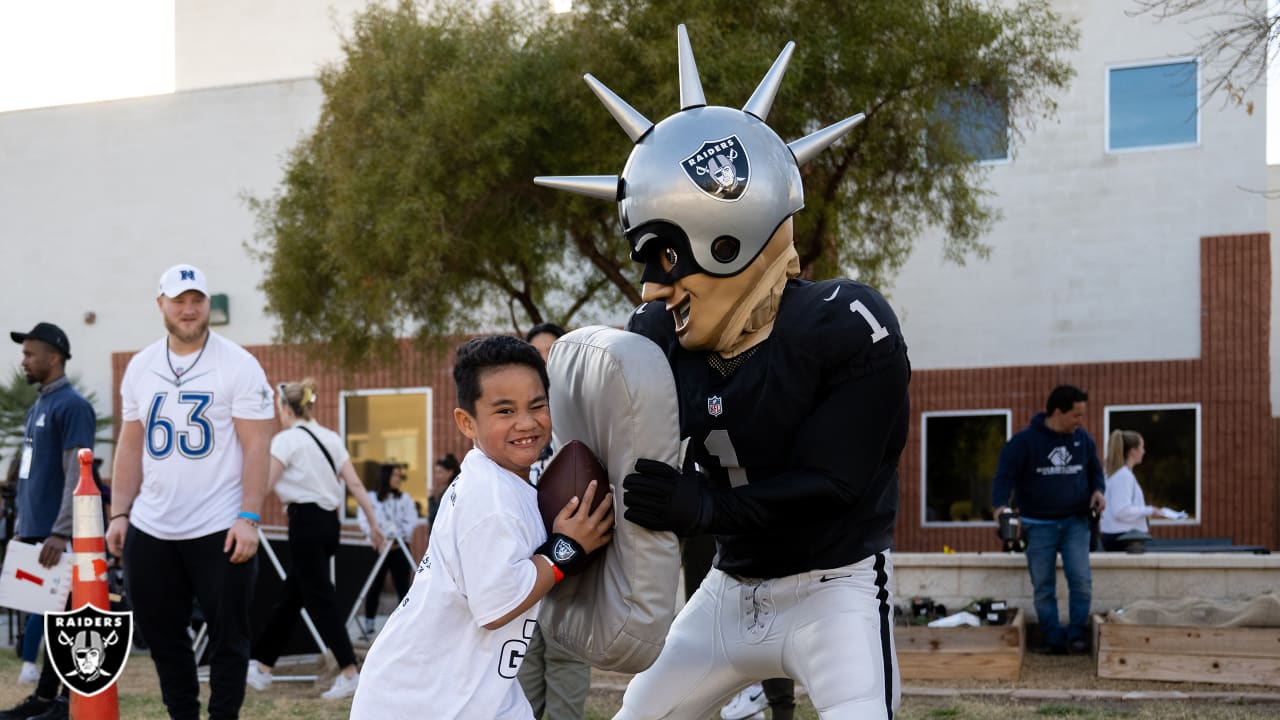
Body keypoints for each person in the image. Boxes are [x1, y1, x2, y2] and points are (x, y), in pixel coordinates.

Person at [536, 25, 909, 718]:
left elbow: (836, 483)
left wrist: (706, 507)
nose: (651, 287)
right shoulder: (656, 339)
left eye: (664, 255)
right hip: (729, 587)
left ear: (727, 229)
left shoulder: (846, 324)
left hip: (837, 586)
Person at [350, 335, 614, 719]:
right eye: (504, 411)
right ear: (466, 422)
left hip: (471, 690)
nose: (526, 422)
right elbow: (496, 606)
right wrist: (565, 550)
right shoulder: (490, 500)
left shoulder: (503, 479)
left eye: (537, 405)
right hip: (419, 701)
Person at [106, 264, 275, 720]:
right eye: (178, 300)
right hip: (152, 524)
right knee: (162, 636)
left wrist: (250, 517)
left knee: (228, 638)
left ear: (207, 306)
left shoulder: (238, 363)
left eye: (196, 300)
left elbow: (258, 444)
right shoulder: (141, 366)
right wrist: (119, 513)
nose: (188, 309)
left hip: (219, 524)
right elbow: (130, 444)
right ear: (160, 303)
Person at [245, 378, 387, 699]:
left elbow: (265, 484)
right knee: (293, 596)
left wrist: (245, 512)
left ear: (285, 407)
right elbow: (356, 485)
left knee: (319, 598)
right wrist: (374, 524)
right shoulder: (331, 438)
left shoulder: (287, 441)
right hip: (328, 525)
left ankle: (349, 672)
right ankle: (263, 667)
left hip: (305, 522)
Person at [0, 322, 94, 720]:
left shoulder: (72, 406)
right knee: (49, 616)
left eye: (30, 353)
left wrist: (61, 530)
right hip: (36, 530)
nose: (24, 360)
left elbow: (77, 472)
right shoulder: (39, 405)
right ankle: (44, 697)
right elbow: (30, 473)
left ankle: (62, 702)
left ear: (53, 357)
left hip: (60, 534)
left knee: (67, 618)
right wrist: (23, 525)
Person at [992, 385, 1106, 655]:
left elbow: (1095, 472)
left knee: (1080, 580)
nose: (1081, 421)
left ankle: (1077, 636)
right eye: (1076, 415)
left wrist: (1098, 491)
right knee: (1043, 586)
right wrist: (1000, 509)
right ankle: (1053, 638)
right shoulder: (1024, 442)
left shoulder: (1083, 440)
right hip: (1037, 524)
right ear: (1058, 412)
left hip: (1076, 523)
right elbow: (1002, 478)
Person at [517, 322, 593, 720]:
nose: (544, 364)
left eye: (552, 355)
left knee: (566, 677)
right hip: (526, 569)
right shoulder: (517, 427)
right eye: (536, 356)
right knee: (521, 687)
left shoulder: (581, 417)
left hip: (570, 569)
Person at [357, 462, 417, 634]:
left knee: (403, 587)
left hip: (400, 548)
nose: (398, 479)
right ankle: (369, 623)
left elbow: (411, 520)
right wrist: (377, 536)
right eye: (395, 475)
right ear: (385, 477)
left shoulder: (404, 498)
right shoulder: (371, 498)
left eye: (399, 475)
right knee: (375, 585)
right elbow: (364, 520)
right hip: (380, 548)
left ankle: (405, 625)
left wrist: (399, 537)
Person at [1099, 430, 1183, 552]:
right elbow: (1121, 510)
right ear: (1133, 451)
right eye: (1142, 447)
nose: (1144, 452)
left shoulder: (1115, 474)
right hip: (1123, 539)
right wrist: (1150, 510)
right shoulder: (1123, 476)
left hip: (1119, 536)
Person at [427, 453, 460, 525]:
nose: (436, 476)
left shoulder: (450, 492)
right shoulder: (452, 489)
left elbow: (434, 517)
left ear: (450, 472)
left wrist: (431, 498)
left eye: (440, 472)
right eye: (436, 472)